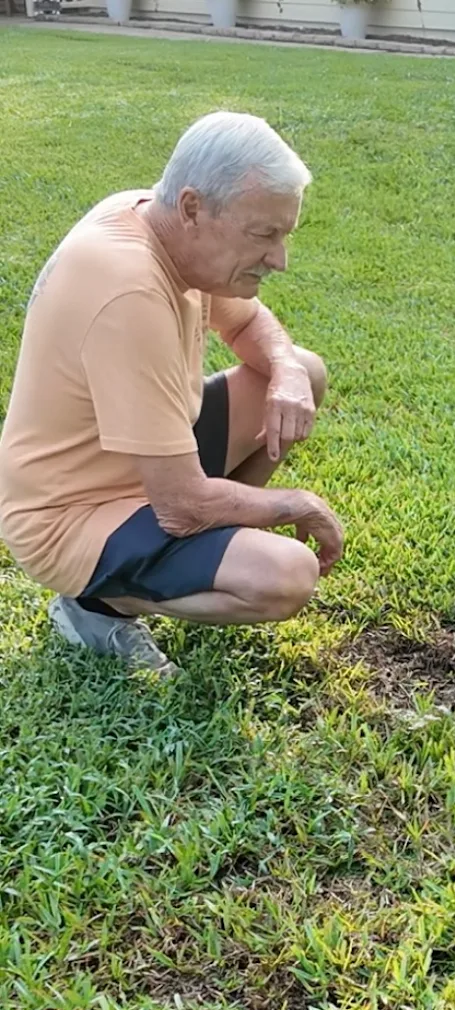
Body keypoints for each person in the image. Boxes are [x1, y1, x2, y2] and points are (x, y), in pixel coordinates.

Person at [0, 111, 344, 678]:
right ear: (192, 210)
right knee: (284, 577)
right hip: (69, 514)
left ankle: (195, 557)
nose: (279, 259)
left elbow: (245, 325)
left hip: (144, 463)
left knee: (303, 374)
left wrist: (283, 367)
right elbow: (181, 505)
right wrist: (294, 504)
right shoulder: (128, 288)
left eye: (284, 235)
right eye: (264, 235)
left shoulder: (155, 217)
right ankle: (94, 606)